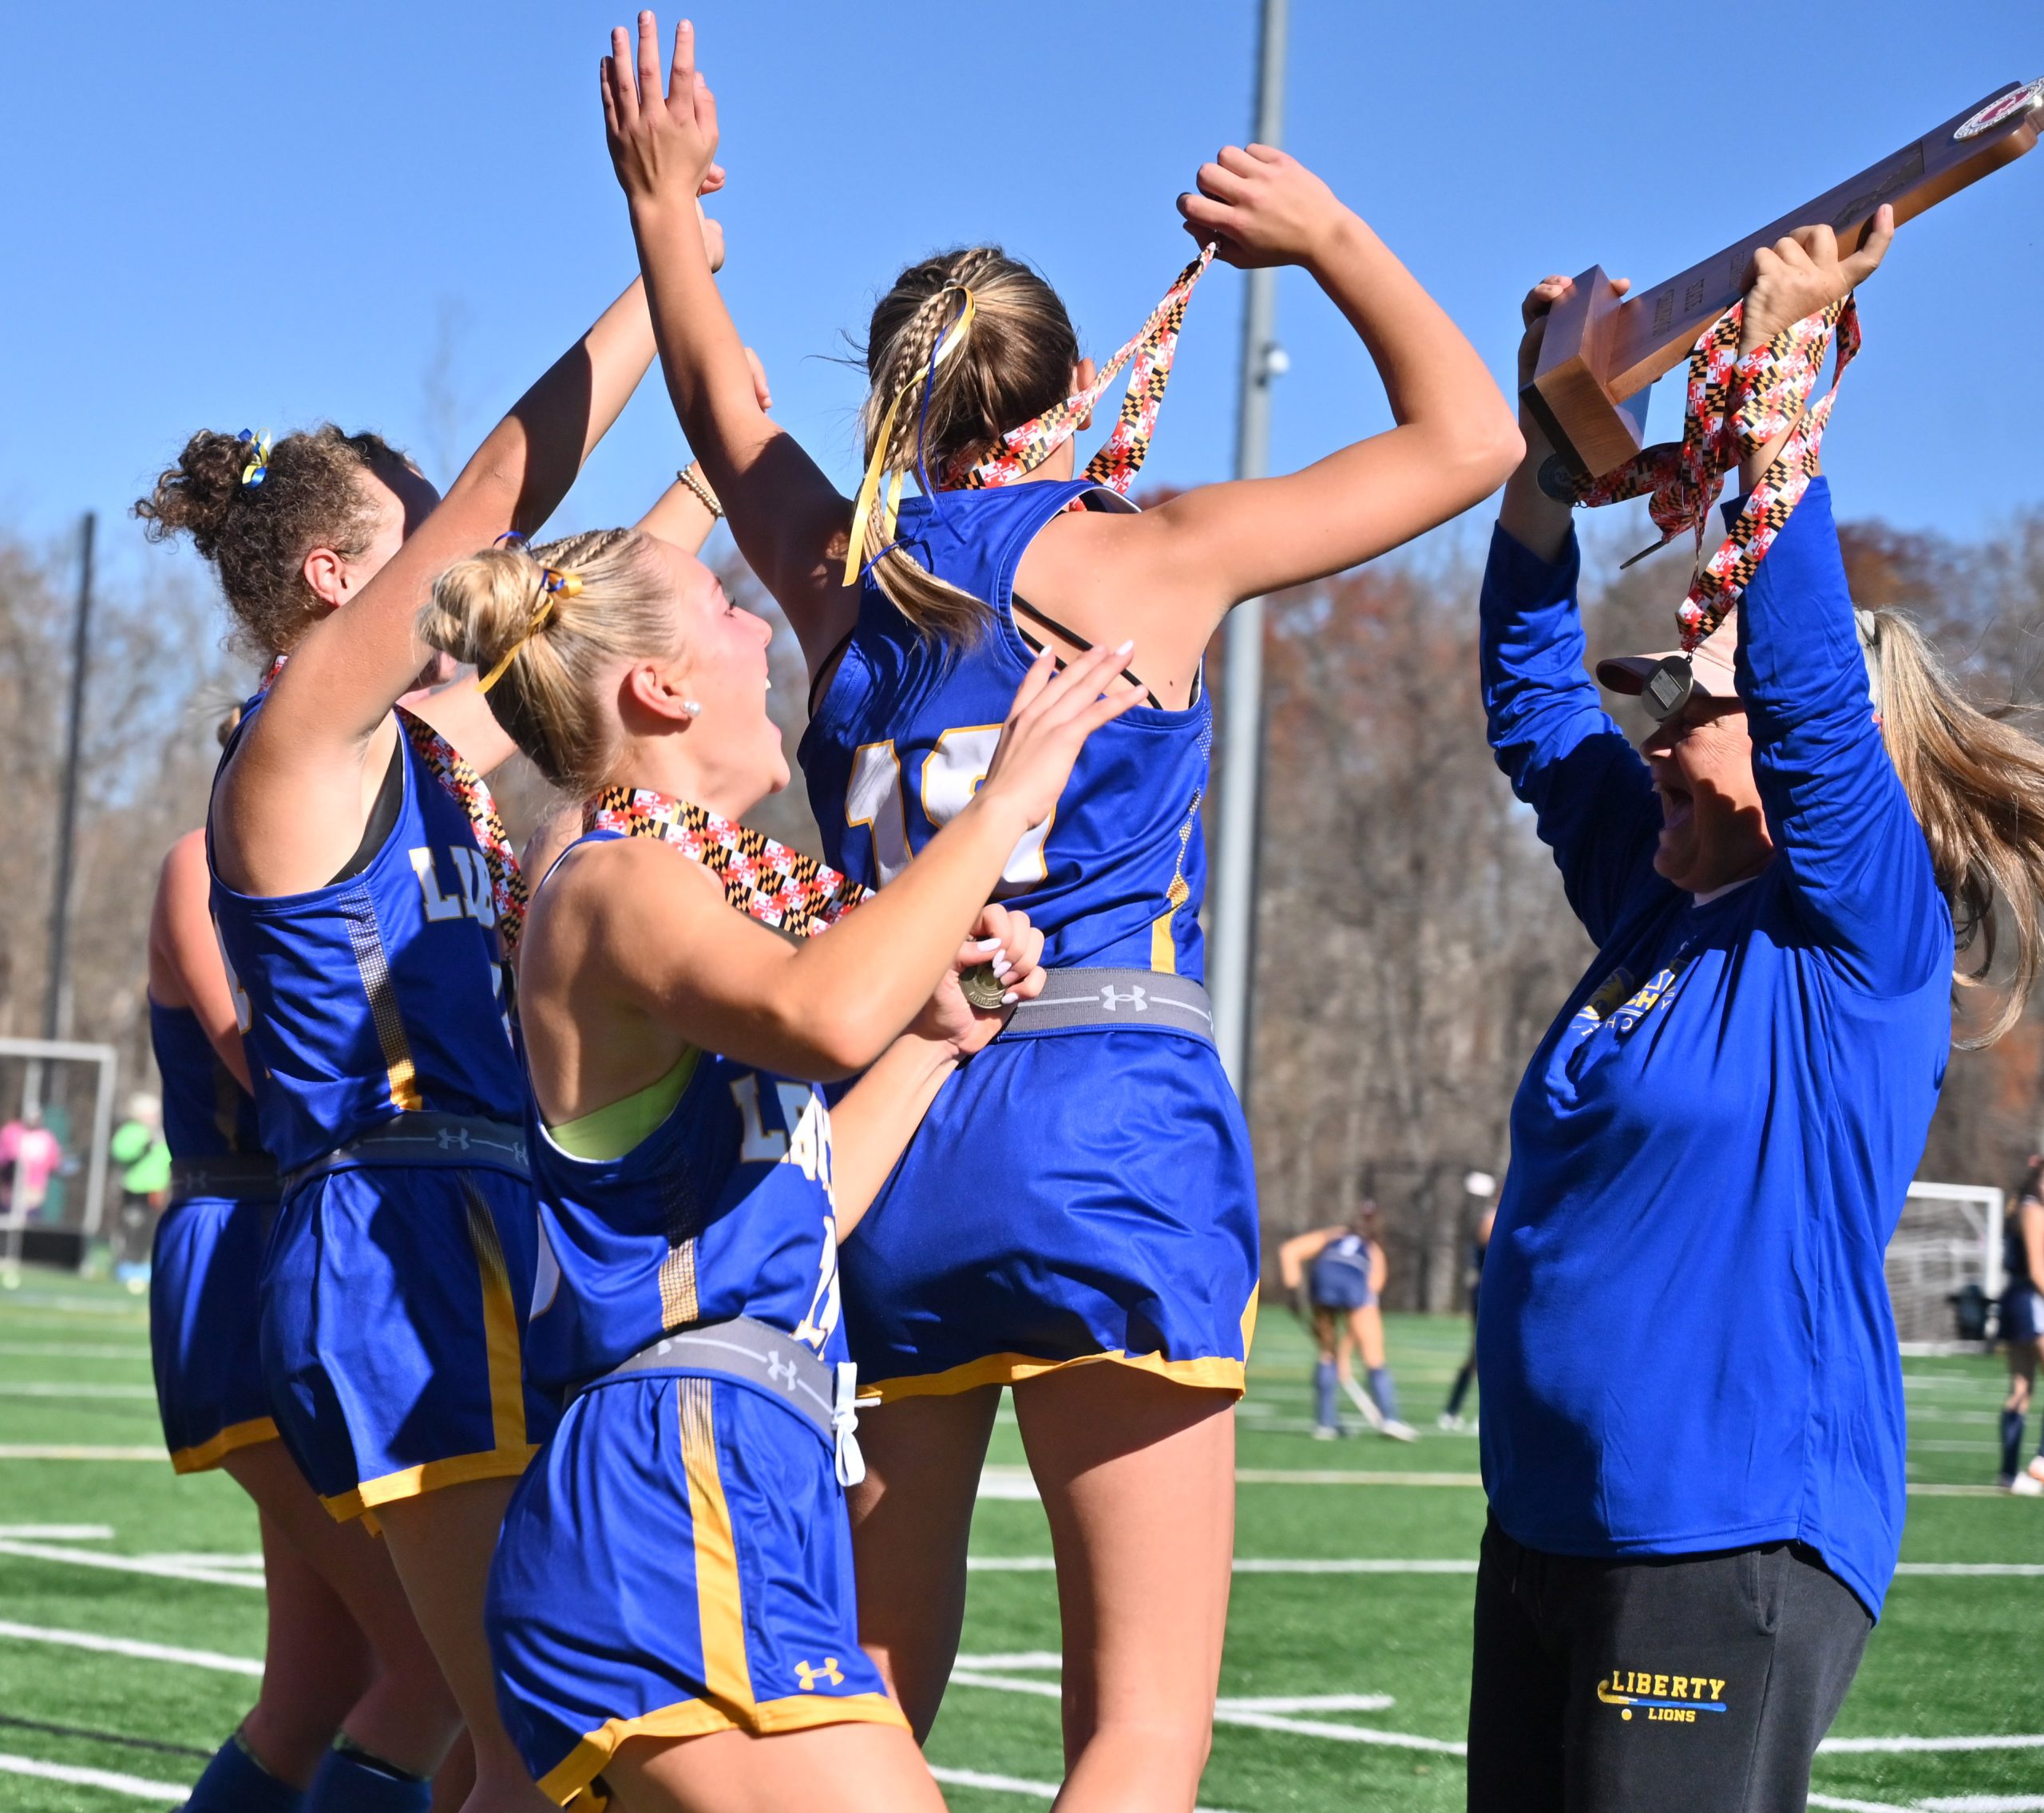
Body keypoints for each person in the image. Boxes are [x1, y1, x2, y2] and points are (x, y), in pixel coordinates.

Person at [600, 18, 1521, 1803]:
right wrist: (1323, 234)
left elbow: (724, 411)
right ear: (1077, 386)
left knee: (853, 1696)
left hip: (895, 1123)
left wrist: (658, 205)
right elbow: (1468, 435)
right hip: (1109, 1126)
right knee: (1141, 1728)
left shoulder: (843, 580)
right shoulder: (1146, 558)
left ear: (894, 415)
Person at [421, 501, 1129, 1807]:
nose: (763, 632)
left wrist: (944, 1037)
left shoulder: (684, 888)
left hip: (733, 1478)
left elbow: (799, 1196)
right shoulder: (612, 880)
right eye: (728, 610)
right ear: (663, 686)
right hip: (669, 1487)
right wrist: (1002, 802)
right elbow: (826, 1014)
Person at [1469, 208, 2044, 1810]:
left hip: (1721, 1534)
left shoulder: (1860, 930)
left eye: (1684, 701)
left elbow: (1793, 693)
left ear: (1807, 769)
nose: (1651, 727)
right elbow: (1527, 704)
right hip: (1542, 1522)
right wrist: (1549, 452)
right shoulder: (1655, 896)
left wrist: (1781, 369)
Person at [176, 176, 734, 1802]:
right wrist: (660, 266)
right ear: (346, 575)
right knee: (512, 1729)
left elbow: (594, 609)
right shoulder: (294, 745)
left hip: (483, 1212)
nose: (462, 557)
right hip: (395, 1222)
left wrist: (727, 463)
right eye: (422, 530)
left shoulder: (415, 746)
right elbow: (506, 490)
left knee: (511, 1720)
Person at [1277, 1205, 1414, 1441]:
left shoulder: (1333, 1235)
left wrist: (1293, 1291)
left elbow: (1289, 1250)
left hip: (1323, 1281)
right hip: (1354, 1288)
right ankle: (1391, 1418)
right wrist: (1347, 1353)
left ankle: (1325, 1423)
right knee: (1374, 1356)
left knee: (1327, 1353)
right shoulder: (1373, 1252)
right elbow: (1366, 1303)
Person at [1999, 1154, 2044, 1494]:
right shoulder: (2033, 1210)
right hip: (2030, 1301)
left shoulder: (2021, 1207)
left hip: (2017, 1300)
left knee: (2021, 1389)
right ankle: (2041, 1461)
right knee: (2020, 1389)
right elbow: (2038, 1270)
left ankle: (2010, 1474)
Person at [1440, 1192, 1494, 1431]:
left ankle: (1453, 1411)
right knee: (1483, 1353)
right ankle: (1454, 1412)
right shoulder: (1491, 1219)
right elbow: (1486, 1238)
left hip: (1497, 1290)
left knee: (1483, 1356)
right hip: (1488, 1291)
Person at [109, 1094, 171, 1285]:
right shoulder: (131, 1132)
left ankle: (141, 1263)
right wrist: (146, 1145)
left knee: (150, 1227)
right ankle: (126, 1263)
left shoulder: (160, 1133)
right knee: (133, 1226)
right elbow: (121, 1153)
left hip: (155, 1189)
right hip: (135, 1188)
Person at [0, 1106, 62, 1226]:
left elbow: (54, 1162)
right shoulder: (11, 1132)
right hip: (10, 1193)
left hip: (32, 1195)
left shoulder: (46, 1138)